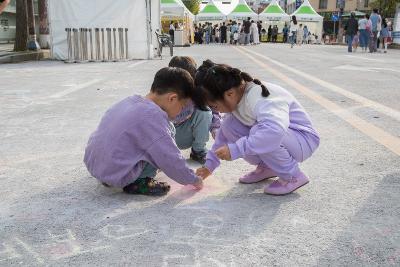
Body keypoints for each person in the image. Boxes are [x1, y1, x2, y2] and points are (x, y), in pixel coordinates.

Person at [195, 63, 320, 195]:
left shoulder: (258, 96)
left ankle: (293, 176)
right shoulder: (237, 98)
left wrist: (237, 149)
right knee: (229, 125)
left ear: (229, 94)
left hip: (303, 140)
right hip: (287, 138)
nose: (216, 110)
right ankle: (268, 167)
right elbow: (222, 136)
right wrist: (209, 166)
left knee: (260, 132)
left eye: (214, 106)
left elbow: (274, 131)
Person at [84, 67, 204, 196]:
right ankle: (138, 181)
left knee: (151, 137)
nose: (181, 112)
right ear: (172, 99)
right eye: (182, 107)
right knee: (165, 137)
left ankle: (117, 174)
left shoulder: (129, 101)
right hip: (117, 174)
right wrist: (194, 180)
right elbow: (170, 159)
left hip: (96, 165)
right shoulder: (153, 117)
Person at [169, 56, 221, 164]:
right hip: (167, 136)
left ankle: (198, 151)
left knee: (205, 112)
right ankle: (165, 153)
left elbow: (213, 109)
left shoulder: (197, 90)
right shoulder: (165, 90)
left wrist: (215, 128)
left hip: (186, 134)